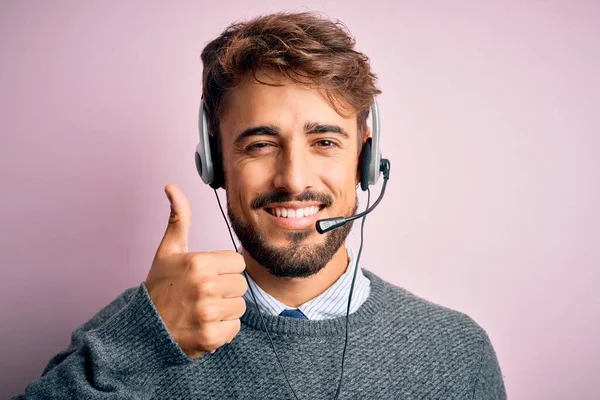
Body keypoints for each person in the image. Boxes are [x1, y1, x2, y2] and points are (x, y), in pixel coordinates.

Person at [14, 11, 506, 400]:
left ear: (366, 159)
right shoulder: (140, 329)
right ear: (215, 164)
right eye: (260, 144)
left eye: (326, 142)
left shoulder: (455, 350)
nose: (293, 179)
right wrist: (144, 342)